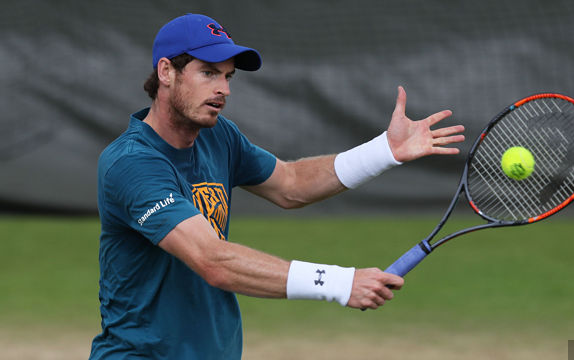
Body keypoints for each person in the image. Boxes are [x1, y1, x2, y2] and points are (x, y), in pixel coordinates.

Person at [89, 13, 465, 359]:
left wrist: (384, 150)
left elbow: (291, 184)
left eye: (228, 76)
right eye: (208, 73)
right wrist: (338, 282)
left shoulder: (219, 137)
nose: (224, 89)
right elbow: (212, 260)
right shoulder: (132, 163)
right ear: (167, 71)